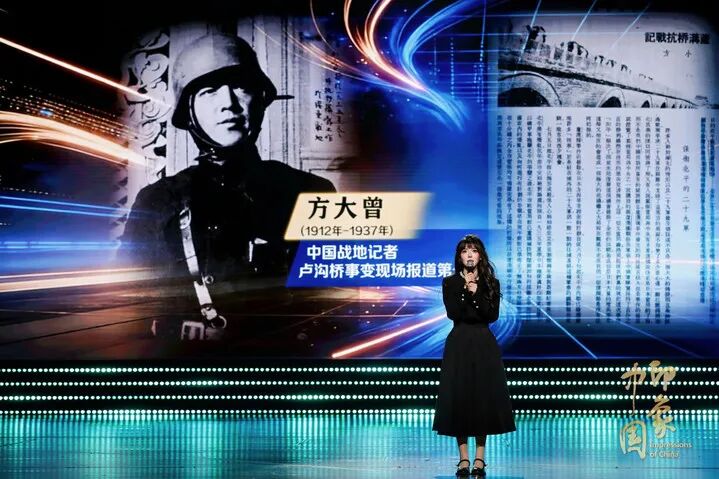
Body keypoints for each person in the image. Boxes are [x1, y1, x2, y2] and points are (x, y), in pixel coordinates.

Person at [121, 32, 335, 333]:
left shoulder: (310, 191)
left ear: (260, 100)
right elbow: (130, 309)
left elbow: (334, 308)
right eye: (209, 91)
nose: (229, 103)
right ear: (188, 110)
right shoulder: (158, 201)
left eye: (240, 86)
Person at [432, 234, 516, 477]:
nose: (469, 255)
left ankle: (480, 458)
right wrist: (464, 291)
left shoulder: (491, 283)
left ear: (480, 256)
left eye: (474, 250)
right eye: (465, 251)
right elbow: (453, 313)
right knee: (459, 398)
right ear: (459, 257)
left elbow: (491, 315)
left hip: (483, 343)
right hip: (459, 342)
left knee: (482, 399)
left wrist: (476, 292)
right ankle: (463, 459)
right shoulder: (450, 282)